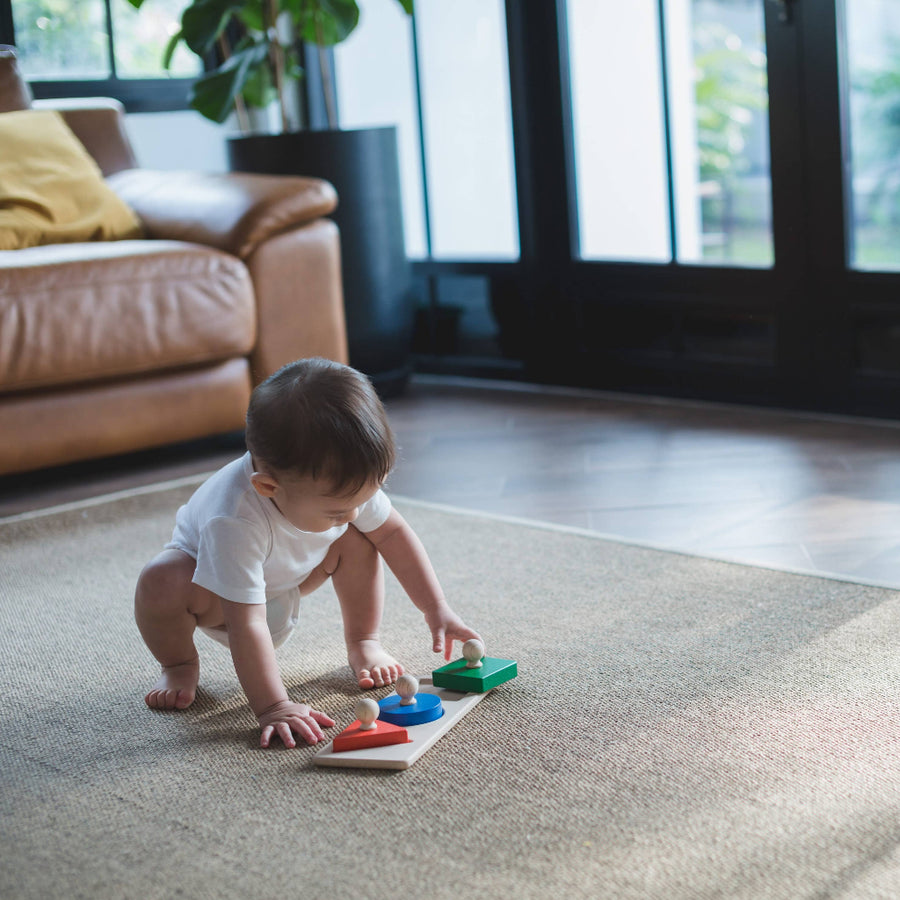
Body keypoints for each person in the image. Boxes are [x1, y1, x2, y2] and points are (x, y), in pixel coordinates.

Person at [134, 357, 480, 749]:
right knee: (161, 579)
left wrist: (436, 607)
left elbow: (394, 534)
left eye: (366, 496)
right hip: (216, 600)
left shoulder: (341, 484)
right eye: (336, 509)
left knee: (360, 537)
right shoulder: (232, 519)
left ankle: (364, 641)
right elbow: (246, 622)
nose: (352, 513)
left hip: (288, 579)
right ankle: (178, 664)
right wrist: (273, 706)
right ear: (268, 487)